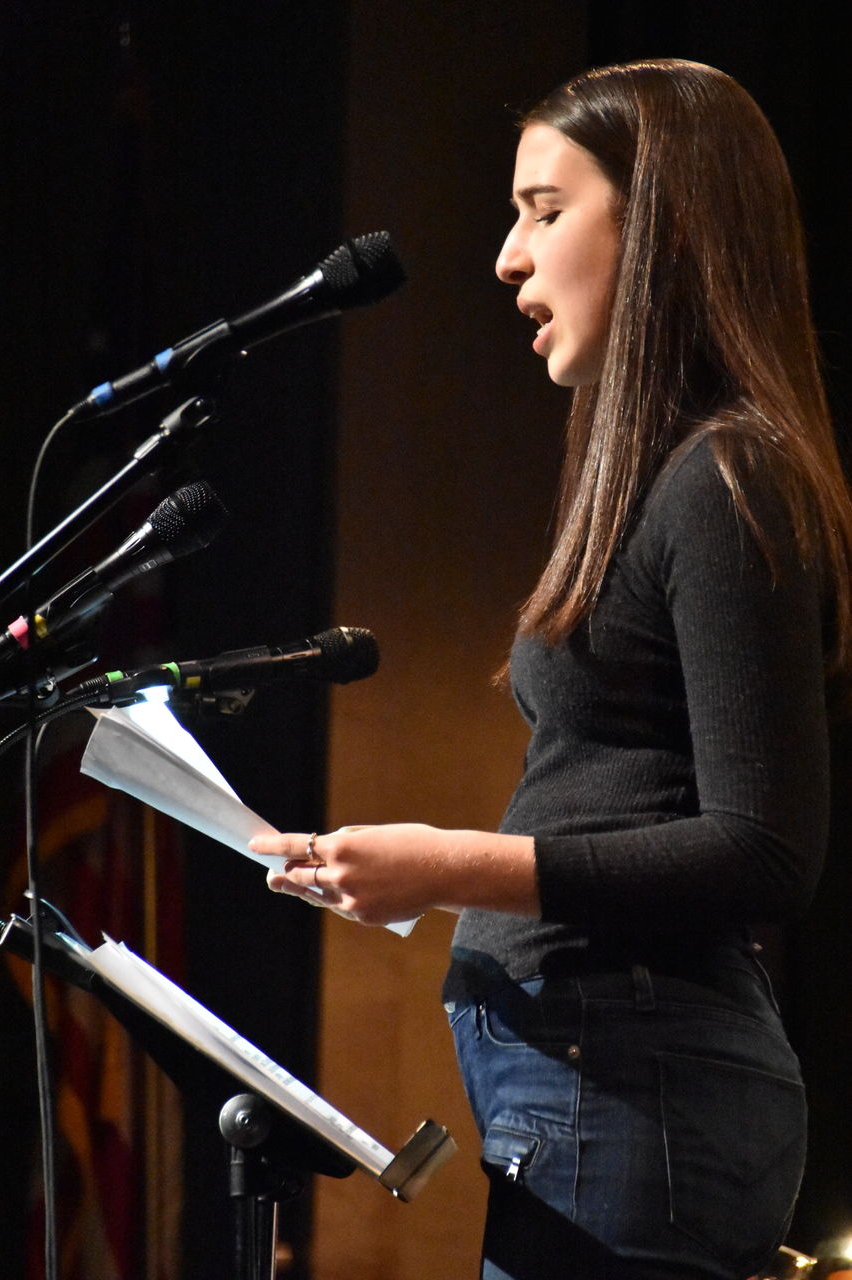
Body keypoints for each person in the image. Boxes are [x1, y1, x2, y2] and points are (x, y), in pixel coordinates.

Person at [250, 59, 852, 1280]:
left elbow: (765, 846)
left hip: (634, 1092)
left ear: (663, 221)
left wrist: (449, 862)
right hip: (603, 1092)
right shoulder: (669, 475)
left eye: (543, 208)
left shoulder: (731, 478)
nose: (504, 259)